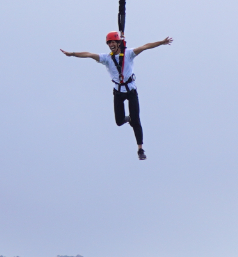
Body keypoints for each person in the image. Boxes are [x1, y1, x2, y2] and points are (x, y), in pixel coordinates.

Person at [62, 30, 173, 160]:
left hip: (131, 91)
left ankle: (140, 149)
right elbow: (89, 54)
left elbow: (145, 46)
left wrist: (161, 42)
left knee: (136, 120)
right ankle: (128, 119)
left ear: (119, 43)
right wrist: (72, 54)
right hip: (118, 92)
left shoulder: (129, 54)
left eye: (113, 42)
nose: (111, 45)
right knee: (119, 121)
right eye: (109, 43)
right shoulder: (106, 58)